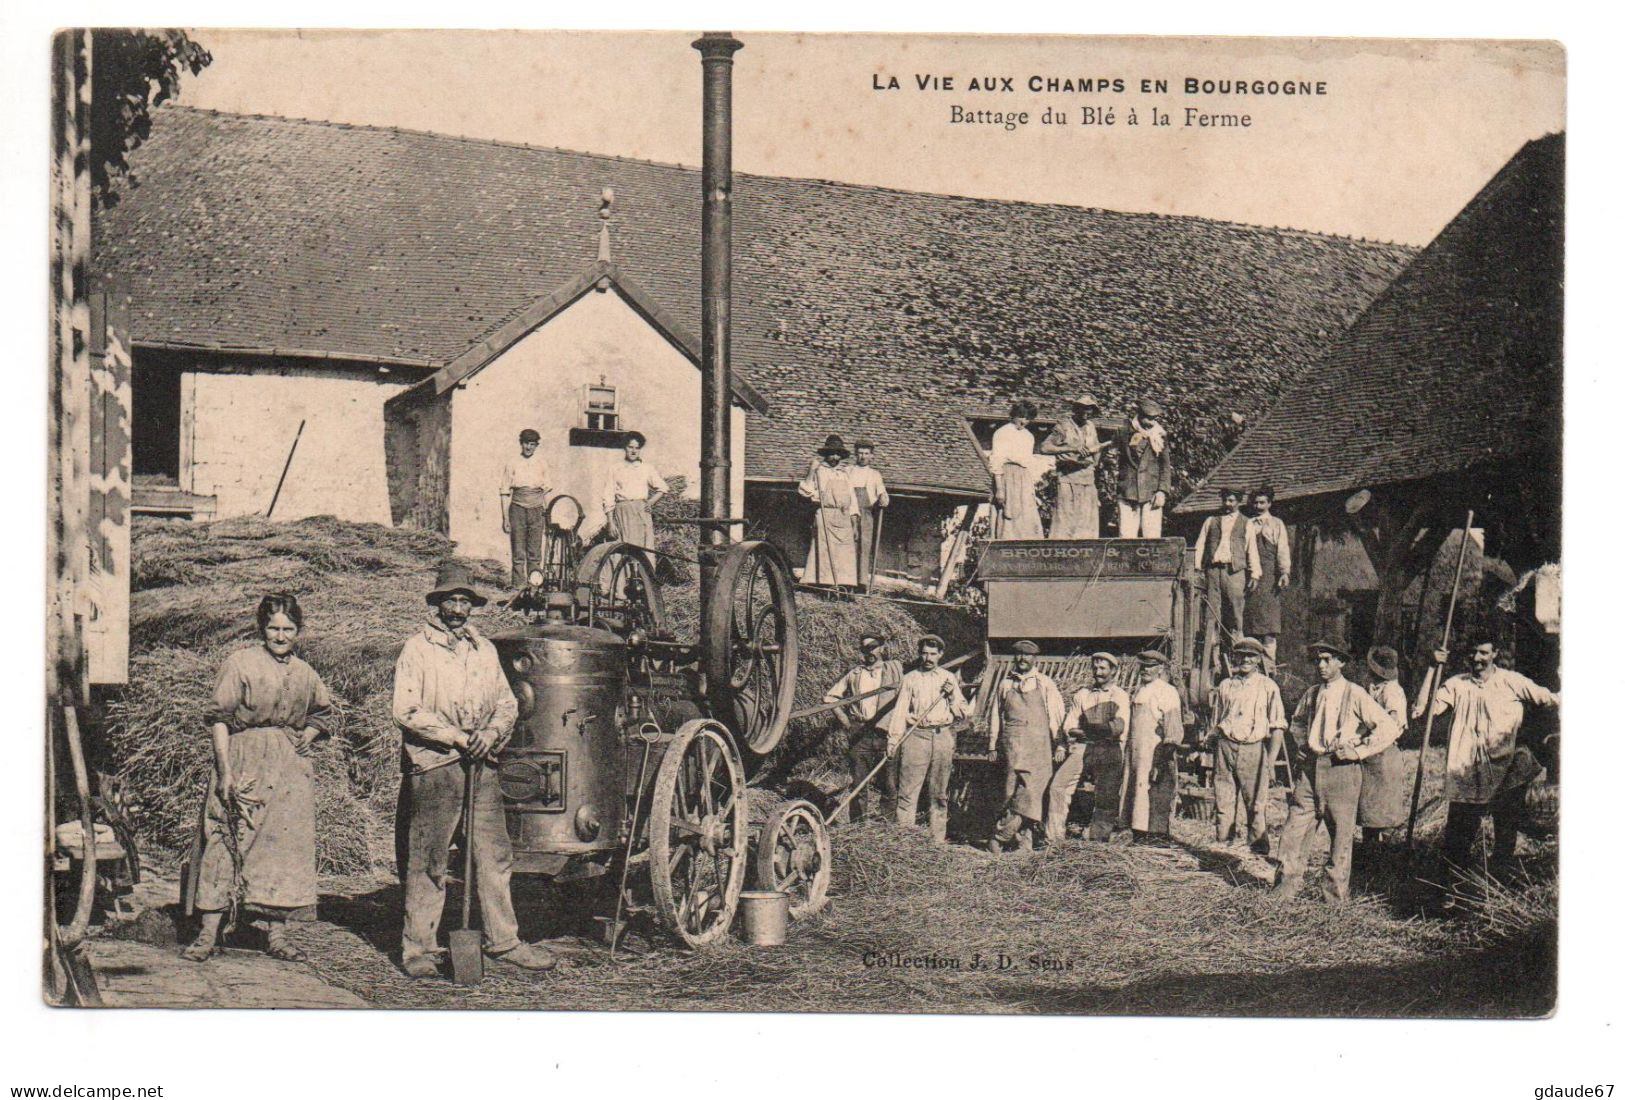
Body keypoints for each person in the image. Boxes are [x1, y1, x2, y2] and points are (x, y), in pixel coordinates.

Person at [393, 562, 555, 977]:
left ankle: (503, 941)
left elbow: (507, 702)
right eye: (452, 599)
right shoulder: (418, 649)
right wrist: (457, 737)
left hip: (482, 763)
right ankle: (418, 949)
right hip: (436, 764)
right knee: (429, 858)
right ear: (437, 603)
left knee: (494, 856)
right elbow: (406, 710)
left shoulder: (483, 649)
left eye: (465, 600)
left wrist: (490, 733)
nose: (459, 608)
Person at [183, 593, 334, 963]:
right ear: (261, 628)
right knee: (226, 837)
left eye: (288, 629)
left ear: (298, 631)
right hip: (245, 758)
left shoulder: (305, 672)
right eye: (273, 628)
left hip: (289, 771)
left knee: (282, 850)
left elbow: (323, 713)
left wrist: (306, 737)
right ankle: (207, 933)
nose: (280, 636)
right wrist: (224, 770)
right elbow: (219, 718)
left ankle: (276, 935)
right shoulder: (240, 664)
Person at [1273, 640, 1400, 903]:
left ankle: (1333, 899)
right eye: (1318, 659)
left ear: (1341, 662)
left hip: (1342, 771)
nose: (1321, 665)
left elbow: (1388, 727)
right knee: (1294, 830)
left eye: (1327, 659)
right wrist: (1301, 744)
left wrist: (1358, 751)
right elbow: (1296, 722)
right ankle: (1283, 892)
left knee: (1341, 838)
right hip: (1310, 771)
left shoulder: (1355, 694)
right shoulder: (1312, 693)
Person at [1426, 638, 1559, 874]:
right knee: (1458, 835)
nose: (1477, 658)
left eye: (1483, 652)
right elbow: (1426, 712)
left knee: (1505, 832)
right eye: (1472, 652)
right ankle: (1452, 886)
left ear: (1495, 653)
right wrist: (1431, 668)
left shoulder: (1512, 681)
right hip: (1466, 771)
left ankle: (1498, 883)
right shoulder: (1456, 684)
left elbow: (1550, 699)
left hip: (1505, 769)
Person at [888, 634, 970, 845]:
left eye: (933, 654)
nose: (928, 658)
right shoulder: (910, 679)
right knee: (908, 792)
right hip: (916, 736)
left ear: (941, 655)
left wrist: (952, 696)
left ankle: (937, 842)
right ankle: (905, 841)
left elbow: (963, 712)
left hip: (942, 736)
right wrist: (893, 740)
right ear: (919, 654)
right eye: (924, 653)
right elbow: (900, 712)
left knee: (939, 794)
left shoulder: (948, 678)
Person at [985, 640, 1066, 853]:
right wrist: (992, 744)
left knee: (1031, 793)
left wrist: (1059, 744)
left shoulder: (1045, 683)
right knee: (1009, 793)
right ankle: (1022, 842)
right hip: (1012, 745)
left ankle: (1000, 836)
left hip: (1039, 746)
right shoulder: (1005, 684)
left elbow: (1056, 717)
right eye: (1018, 655)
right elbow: (996, 716)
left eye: (1027, 655)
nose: (1022, 659)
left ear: (1034, 658)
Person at [1210, 637, 1287, 855]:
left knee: (1255, 803)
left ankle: (1257, 849)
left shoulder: (1267, 686)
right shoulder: (1226, 685)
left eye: (1251, 656)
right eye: (1241, 655)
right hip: (1226, 746)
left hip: (1253, 748)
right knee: (1223, 797)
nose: (1245, 660)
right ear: (1235, 657)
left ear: (1259, 659)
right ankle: (1224, 843)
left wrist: (1270, 762)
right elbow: (1217, 721)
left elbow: (1278, 726)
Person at [1047, 651, 1131, 844]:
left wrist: (1088, 729)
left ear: (1113, 671)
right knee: (1058, 787)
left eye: (1102, 668)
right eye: (1095, 667)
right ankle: (1053, 839)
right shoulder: (1082, 695)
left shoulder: (1120, 696)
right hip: (1083, 747)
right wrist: (1088, 732)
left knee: (1106, 794)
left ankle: (1098, 839)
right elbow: (1069, 726)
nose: (1097, 672)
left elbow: (1118, 727)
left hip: (1109, 748)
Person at [822, 634, 904, 821]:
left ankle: (887, 826)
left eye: (873, 647)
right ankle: (858, 825)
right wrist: (846, 721)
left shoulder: (895, 670)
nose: (869, 652)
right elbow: (829, 698)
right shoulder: (855, 674)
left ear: (882, 648)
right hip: (861, 733)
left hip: (887, 732)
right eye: (865, 649)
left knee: (889, 784)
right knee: (859, 783)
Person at [1121, 650, 1185, 845]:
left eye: (1150, 666)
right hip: (1137, 753)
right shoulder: (1141, 690)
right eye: (1143, 666)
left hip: (1156, 753)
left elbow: (1173, 729)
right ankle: (1139, 835)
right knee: (1137, 794)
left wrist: (1163, 759)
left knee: (1155, 793)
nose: (1145, 670)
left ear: (1160, 669)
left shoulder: (1167, 691)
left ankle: (1157, 837)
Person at [1194, 488, 1260, 643]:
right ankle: (1212, 652)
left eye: (1231, 501)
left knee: (1236, 609)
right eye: (1225, 500)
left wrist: (1255, 573)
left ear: (1238, 502)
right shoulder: (1211, 520)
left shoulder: (1246, 522)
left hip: (1235, 571)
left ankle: (1237, 646)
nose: (1227, 504)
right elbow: (1200, 545)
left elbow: (1252, 549)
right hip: (1213, 570)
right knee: (1212, 609)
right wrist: (1197, 567)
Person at [1358, 646, 1409, 847]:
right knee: (1368, 809)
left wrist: (1374, 738)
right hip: (1370, 754)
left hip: (1384, 753)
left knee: (1383, 809)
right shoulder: (1373, 686)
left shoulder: (1392, 691)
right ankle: (1369, 847)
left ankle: (1384, 852)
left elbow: (1394, 722)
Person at [799, 434, 861, 587]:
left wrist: (854, 525)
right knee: (824, 550)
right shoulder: (819, 471)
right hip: (825, 514)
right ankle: (823, 583)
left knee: (845, 552)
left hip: (843, 516)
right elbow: (804, 491)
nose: (834, 457)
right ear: (826, 454)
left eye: (837, 454)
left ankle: (843, 584)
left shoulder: (845, 474)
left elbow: (852, 501)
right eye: (831, 453)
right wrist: (811, 472)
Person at [1040, 395, 1104, 539]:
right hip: (1067, 479)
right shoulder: (1064, 426)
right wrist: (1070, 448)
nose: (1086, 414)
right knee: (1065, 521)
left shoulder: (1091, 427)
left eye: (1089, 411)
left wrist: (1095, 460)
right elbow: (1044, 448)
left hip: (1087, 480)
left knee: (1087, 523)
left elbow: (1096, 447)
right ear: (1076, 410)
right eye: (1083, 410)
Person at [1245, 486, 1292, 668]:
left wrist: (1284, 572)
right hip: (1250, 578)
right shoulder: (1248, 524)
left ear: (1269, 503)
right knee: (1251, 624)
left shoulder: (1276, 524)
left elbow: (1282, 550)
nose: (1258, 506)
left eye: (1262, 502)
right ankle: (1251, 665)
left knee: (1269, 625)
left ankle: (1270, 666)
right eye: (1256, 502)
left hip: (1270, 579)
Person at [499, 428, 552, 589]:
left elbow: (546, 492)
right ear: (520, 444)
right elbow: (504, 492)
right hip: (517, 509)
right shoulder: (512, 463)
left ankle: (534, 586)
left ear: (536, 446)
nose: (528, 447)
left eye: (532, 444)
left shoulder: (542, 464)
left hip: (537, 510)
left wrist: (547, 516)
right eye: (525, 444)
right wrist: (505, 518)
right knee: (518, 550)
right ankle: (518, 586)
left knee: (535, 551)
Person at [599, 431, 667, 549]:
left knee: (643, 548)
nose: (633, 451)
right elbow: (608, 496)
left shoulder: (646, 468)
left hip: (641, 512)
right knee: (623, 548)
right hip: (622, 513)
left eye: (637, 448)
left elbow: (663, 487)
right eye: (630, 447)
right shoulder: (615, 468)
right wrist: (610, 522)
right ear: (624, 447)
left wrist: (650, 502)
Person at [1117, 397, 1173, 538]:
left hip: (1152, 493)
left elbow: (1165, 466)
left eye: (1155, 419)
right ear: (1140, 416)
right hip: (1128, 491)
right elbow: (1110, 454)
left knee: (1152, 536)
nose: (1152, 423)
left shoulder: (1159, 436)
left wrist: (1162, 490)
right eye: (1149, 419)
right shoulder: (1124, 432)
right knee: (1126, 537)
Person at [989, 401, 1044, 540]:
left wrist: (1032, 488)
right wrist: (1000, 488)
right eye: (1021, 416)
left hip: (1024, 477)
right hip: (1007, 475)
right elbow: (997, 460)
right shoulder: (1002, 433)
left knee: (1027, 513)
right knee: (1009, 512)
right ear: (1014, 415)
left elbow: (1029, 462)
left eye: (1027, 418)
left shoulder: (1029, 436)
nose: (1023, 421)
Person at [849, 441, 890, 587]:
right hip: (848, 512)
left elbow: (882, 493)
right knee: (848, 546)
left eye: (866, 453)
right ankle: (847, 581)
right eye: (860, 453)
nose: (863, 456)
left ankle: (861, 582)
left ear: (871, 456)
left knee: (864, 547)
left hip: (866, 514)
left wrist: (883, 497)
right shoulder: (848, 471)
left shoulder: (875, 474)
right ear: (855, 454)